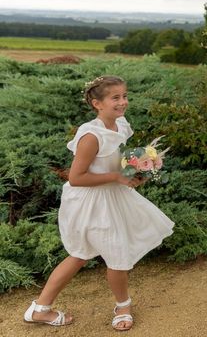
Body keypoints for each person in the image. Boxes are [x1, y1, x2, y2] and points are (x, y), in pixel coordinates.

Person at [23, 75, 174, 331]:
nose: (123, 102)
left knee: (82, 255)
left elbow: (114, 159)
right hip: (90, 203)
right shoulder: (91, 136)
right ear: (97, 103)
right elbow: (76, 177)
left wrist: (134, 170)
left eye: (125, 96)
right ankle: (122, 305)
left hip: (112, 196)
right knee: (109, 254)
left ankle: (40, 308)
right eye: (115, 97)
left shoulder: (120, 124)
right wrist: (116, 176)